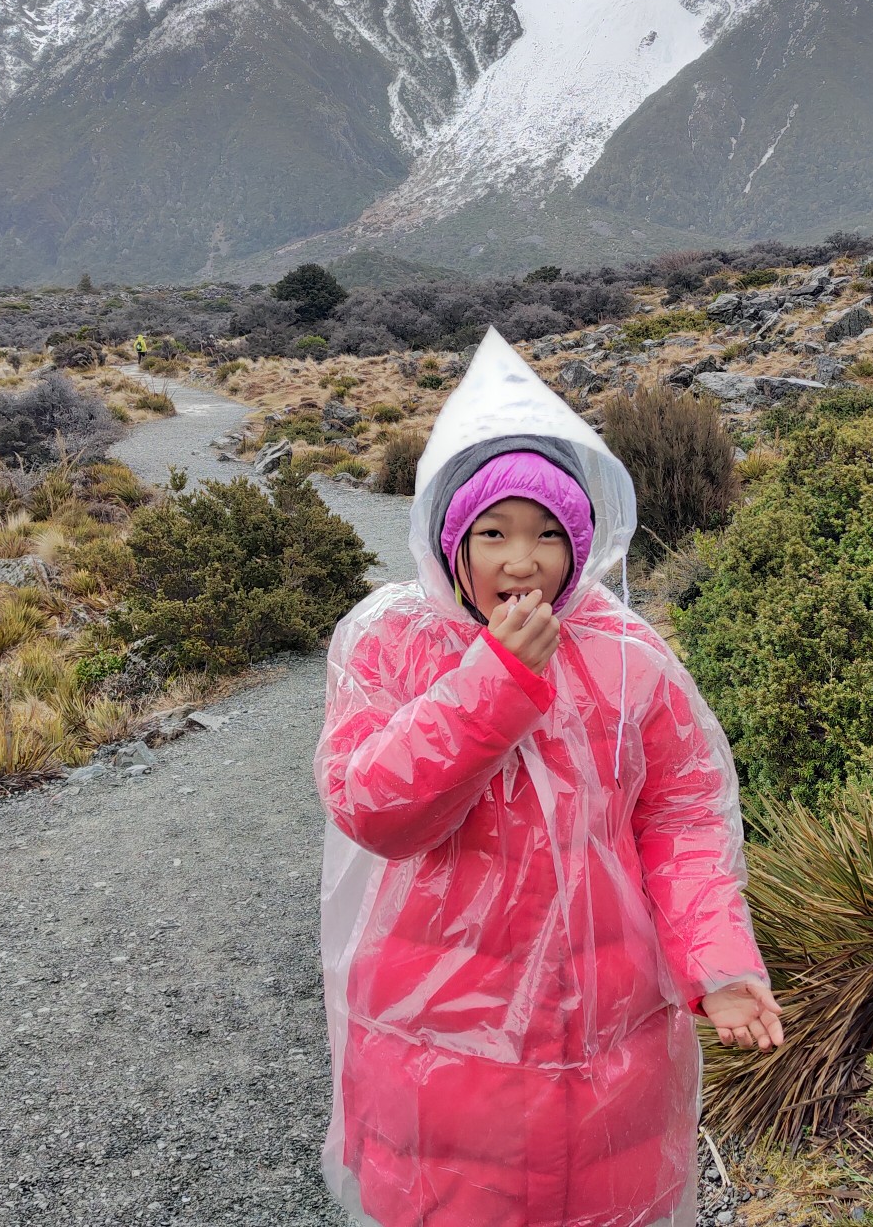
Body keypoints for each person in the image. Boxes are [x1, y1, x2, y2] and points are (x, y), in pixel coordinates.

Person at [316, 326, 783, 1227]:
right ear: (451, 542)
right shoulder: (392, 643)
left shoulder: (626, 658)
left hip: (609, 1028)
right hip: (441, 1029)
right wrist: (496, 681)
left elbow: (683, 818)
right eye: (492, 533)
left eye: (546, 536)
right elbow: (374, 809)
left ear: (582, 544)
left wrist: (718, 962)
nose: (520, 561)